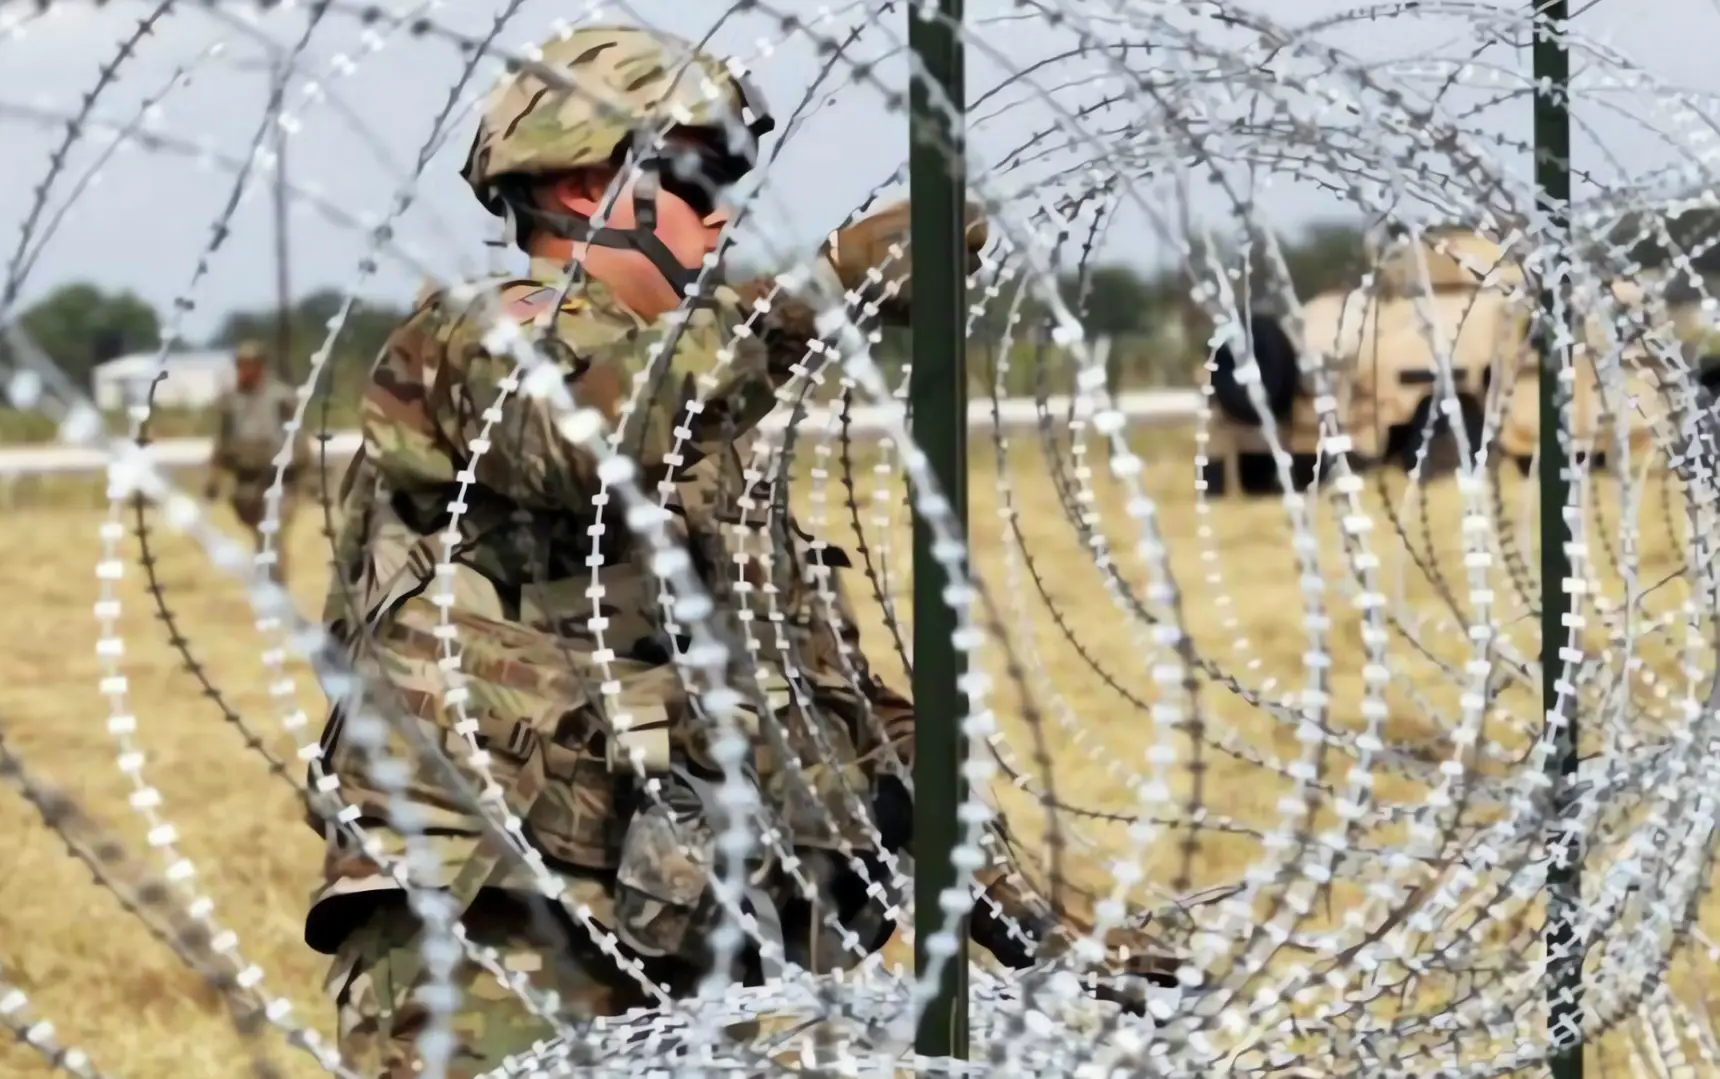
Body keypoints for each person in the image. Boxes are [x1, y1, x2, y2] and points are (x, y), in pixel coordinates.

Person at [307, 25, 1173, 1077]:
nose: (724, 210)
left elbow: (841, 719)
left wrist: (1044, 922)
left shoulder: (712, 443)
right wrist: (824, 293)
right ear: (586, 185)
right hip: (495, 923)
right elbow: (595, 439)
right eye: (697, 173)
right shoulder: (472, 336)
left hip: (684, 929)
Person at [205, 339, 308, 584]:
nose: (244, 369)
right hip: (246, 481)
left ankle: (275, 585)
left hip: (280, 478)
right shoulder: (230, 400)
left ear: (261, 366)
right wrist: (215, 477)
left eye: (249, 364)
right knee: (260, 535)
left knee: (273, 534)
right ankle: (267, 578)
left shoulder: (281, 396)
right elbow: (223, 440)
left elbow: (299, 437)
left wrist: (307, 473)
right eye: (240, 364)